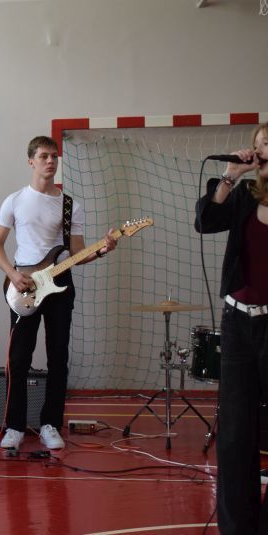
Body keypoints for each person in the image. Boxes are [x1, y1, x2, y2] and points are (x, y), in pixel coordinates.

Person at [0, 136, 116, 451]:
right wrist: (13, 274)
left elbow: (77, 253)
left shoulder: (71, 205)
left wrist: (102, 249)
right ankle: (15, 426)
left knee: (59, 356)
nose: (50, 161)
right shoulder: (15, 200)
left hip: (60, 285)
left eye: (54, 156)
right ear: (31, 161)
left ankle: (50, 424)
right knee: (19, 358)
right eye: (44, 156)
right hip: (24, 284)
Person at [195, 122, 268, 535]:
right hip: (239, 322)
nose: (263, 149)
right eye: (259, 144)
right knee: (237, 431)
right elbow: (205, 221)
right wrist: (230, 175)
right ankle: (237, 526)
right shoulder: (242, 194)